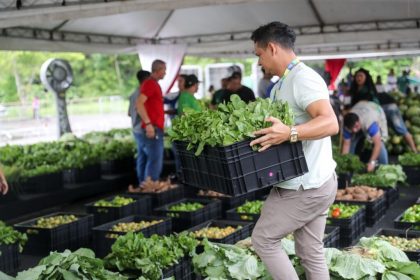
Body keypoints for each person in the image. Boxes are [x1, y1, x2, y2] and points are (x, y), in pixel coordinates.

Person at [249, 22, 339, 280]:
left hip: (306, 186)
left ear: (272, 48)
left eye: (259, 55)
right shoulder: (282, 84)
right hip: (313, 182)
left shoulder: (303, 78)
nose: (259, 63)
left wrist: (290, 132)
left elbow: (330, 122)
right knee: (310, 251)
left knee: (263, 239)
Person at [136, 59, 166, 183]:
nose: (165, 73)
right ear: (158, 70)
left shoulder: (153, 84)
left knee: (149, 159)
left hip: (154, 127)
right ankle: (150, 188)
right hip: (152, 128)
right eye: (164, 70)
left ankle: (146, 186)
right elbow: (139, 103)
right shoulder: (150, 84)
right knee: (155, 160)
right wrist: (148, 124)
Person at [342, 101, 389, 171]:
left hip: (375, 111)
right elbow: (346, 145)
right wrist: (343, 162)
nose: (354, 130)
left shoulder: (370, 123)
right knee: (352, 141)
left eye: (356, 127)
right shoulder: (347, 126)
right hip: (361, 107)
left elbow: (377, 144)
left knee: (381, 143)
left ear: (358, 121)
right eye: (352, 129)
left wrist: (372, 162)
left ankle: (385, 168)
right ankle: (349, 165)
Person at [376, 89, 417, 153]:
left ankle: (414, 151)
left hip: (386, 108)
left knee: (401, 130)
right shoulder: (378, 92)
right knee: (403, 130)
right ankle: (414, 151)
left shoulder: (369, 93)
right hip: (391, 106)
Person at [128, 70, 150, 184]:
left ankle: (141, 180)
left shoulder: (133, 94)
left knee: (141, 156)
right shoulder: (143, 95)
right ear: (146, 80)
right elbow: (140, 110)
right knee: (150, 156)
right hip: (142, 129)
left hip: (135, 129)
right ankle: (147, 182)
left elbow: (129, 113)